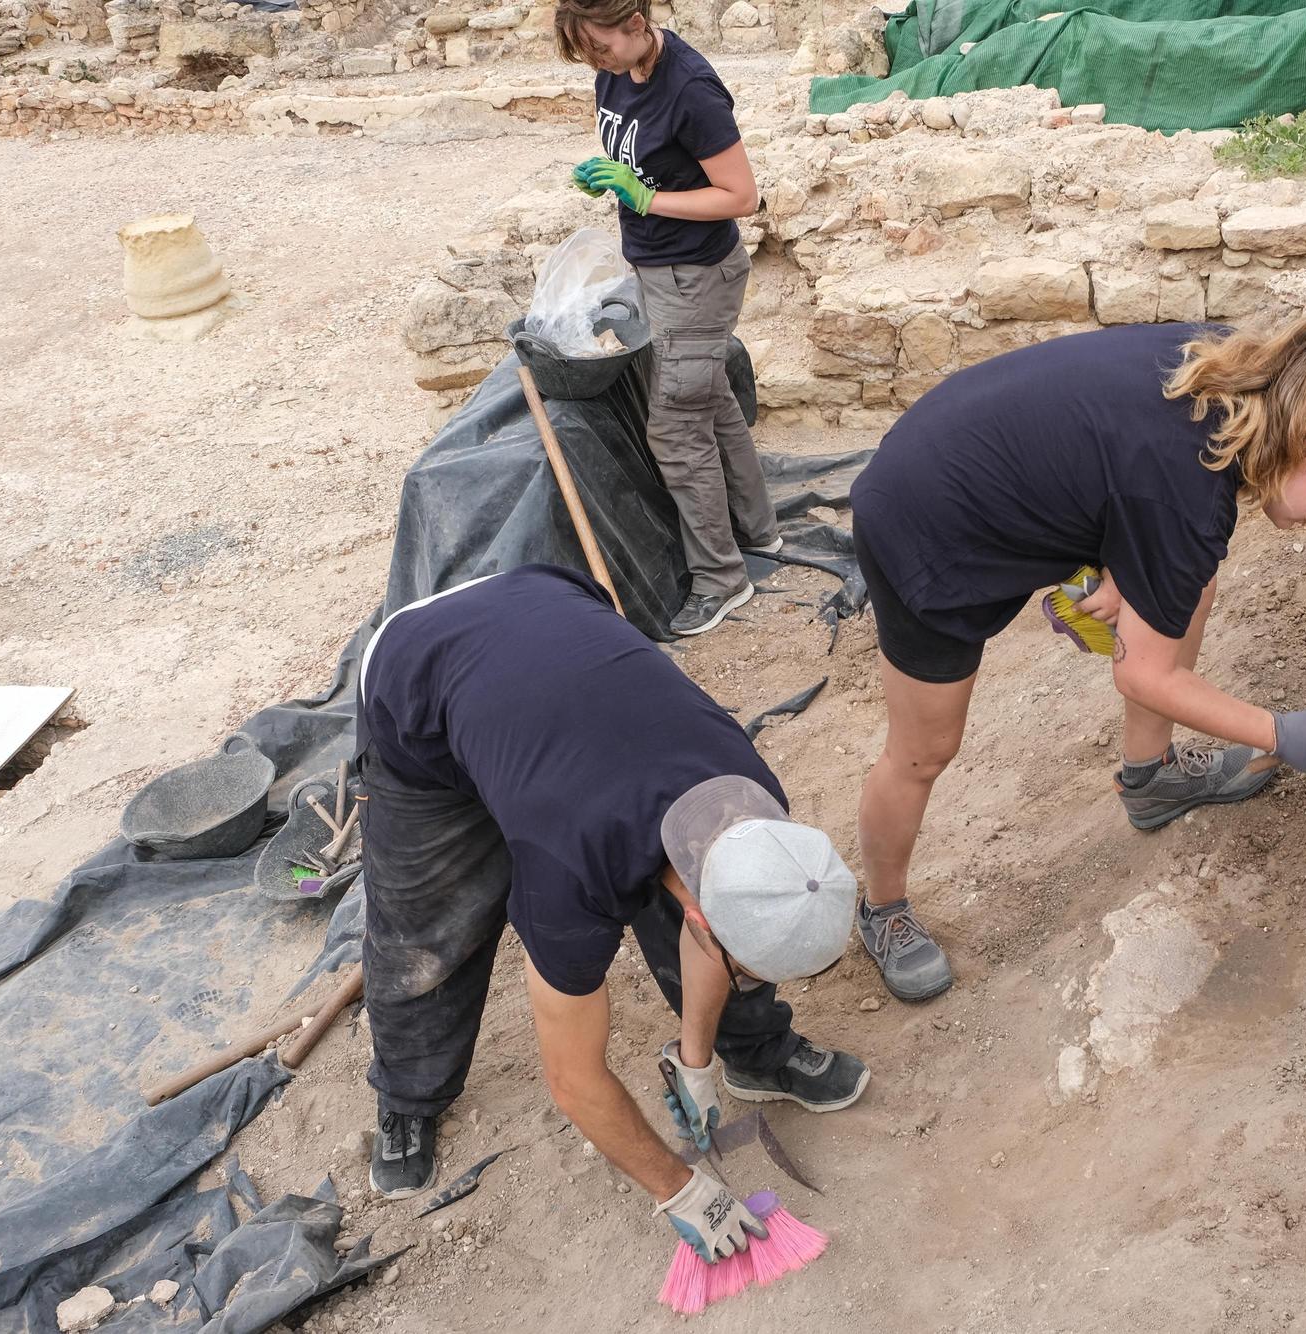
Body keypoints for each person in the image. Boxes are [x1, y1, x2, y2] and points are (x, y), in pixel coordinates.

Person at [847, 316, 1306, 1001]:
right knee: (923, 751)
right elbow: (1143, 669)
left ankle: (1151, 778)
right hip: (927, 517)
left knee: (1190, 575)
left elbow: (1118, 455)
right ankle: (883, 910)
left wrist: (1121, 550)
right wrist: (1276, 732)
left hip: (971, 443)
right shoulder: (1184, 487)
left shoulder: (1247, 372)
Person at [354, 564, 869, 1266]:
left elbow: (709, 925)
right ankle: (409, 1096)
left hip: (549, 620)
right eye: (740, 965)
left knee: (709, 899)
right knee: (426, 929)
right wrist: (679, 1188)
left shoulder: (752, 800)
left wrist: (693, 1061)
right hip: (419, 674)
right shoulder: (568, 870)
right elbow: (573, 1079)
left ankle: (751, 1053)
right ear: (707, 924)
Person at [557, 0, 776, 637]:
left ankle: (721, 580)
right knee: (709, 403)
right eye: (586, 54)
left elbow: (741, 195)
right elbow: (640, 154)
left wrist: (649, 197)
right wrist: (614, 179)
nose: (597, 65)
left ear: (635, 23)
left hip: (697, 277)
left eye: (600, 48)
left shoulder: (692, 90)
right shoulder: (617, 71)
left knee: (677, 430)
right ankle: (758, 531)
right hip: (655, 266)